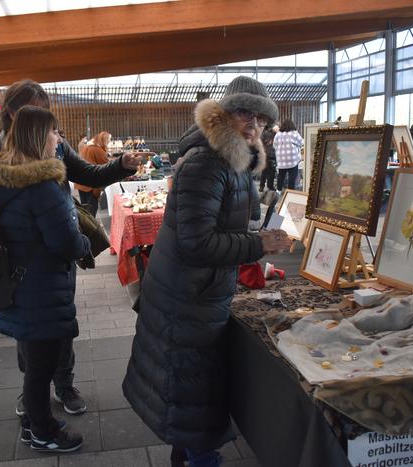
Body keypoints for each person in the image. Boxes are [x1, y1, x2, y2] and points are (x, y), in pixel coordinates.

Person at [123, 76, 292, 467]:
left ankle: (186, 455)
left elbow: (218, 225)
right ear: (225, 114)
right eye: (245, 113)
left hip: (196, 292)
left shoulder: (231, 161)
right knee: (194, 396)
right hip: (187, 298)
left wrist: (254, 234)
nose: (254, 125)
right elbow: (196, 243)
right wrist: (258, 244)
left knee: (189, 396)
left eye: (262, 119)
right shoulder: (206, 163)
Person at [0, 79, 142, 416]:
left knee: (59, 320)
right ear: (10, 114)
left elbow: (89, 175)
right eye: (30, 108)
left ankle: (63, 384)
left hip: (56, 254)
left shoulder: (58, 146)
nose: (40, 116)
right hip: (18, 258)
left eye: (44, 110)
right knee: (28, 328)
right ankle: (33, 390)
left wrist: (121, 165)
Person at [0, 105, 90, 452]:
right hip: (41, 287)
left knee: (35, 366)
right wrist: (85, 241)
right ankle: (44, 431)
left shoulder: (4, 177)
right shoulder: (43, 184)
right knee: (42, 367)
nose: (59, 138)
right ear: (39, 136)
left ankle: (33, 423)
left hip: (20, 284)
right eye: (55, 132)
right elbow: (64, 242)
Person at [74, 131, 111, 217]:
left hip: (81, 182)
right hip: (90, 184)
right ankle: (91, 228)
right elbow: (107, 166)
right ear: (104, 140)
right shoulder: (97, 149)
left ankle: (85, 228)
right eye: (108, 140)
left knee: (84, 208)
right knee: (91, 210)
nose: (109, 142)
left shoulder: (88, 147)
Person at [273, 118, 304, 191]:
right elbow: (302, 142)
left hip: (281, 160)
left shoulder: (278, 134)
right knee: (292, 178)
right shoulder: (294, 133)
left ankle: (279, 191)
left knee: (281, 176)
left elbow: (275, 145)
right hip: (293, 160)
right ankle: (290, 192)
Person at [258, 125, 276, 192]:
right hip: (271, 154)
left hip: (266, 153)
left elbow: (260, 142)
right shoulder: (272, 133)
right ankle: (269, 186)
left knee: (265, 171)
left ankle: (262, 186)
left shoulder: (263, 133)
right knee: (271, 171)